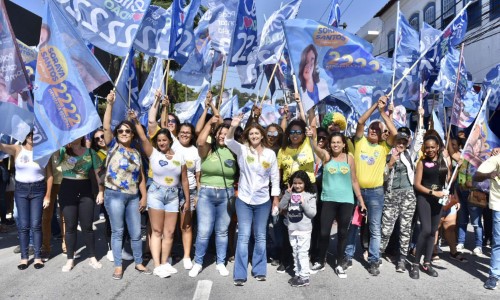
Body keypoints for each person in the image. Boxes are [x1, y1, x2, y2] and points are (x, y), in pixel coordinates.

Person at [131, 111, 190, 278]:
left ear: (170, 141)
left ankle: (165, 262)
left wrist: (186, 199)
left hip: (173, 195)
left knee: (169, 232)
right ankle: (157, 265)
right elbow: (143, 138)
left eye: (164, 140)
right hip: (156, 193)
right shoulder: (153, 154)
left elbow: (184, 180)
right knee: (156, 231)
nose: (162, 143)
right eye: (159, 140)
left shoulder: (180, 156)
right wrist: (135, 120)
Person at [344, 95, 397, 276]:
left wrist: (383, 113)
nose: (373, 130)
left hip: (375, 193)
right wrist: (376, 105)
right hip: (356, 192)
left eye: (377, 129)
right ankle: (348, 257)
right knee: (353, 226)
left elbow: (395, 133)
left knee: (375, 227)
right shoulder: (360, 142)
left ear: (383, 134)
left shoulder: (384, 147)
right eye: (371, 128)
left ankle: (374, 260)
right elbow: (360, 121)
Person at [225, 114, 280, 286]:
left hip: (263, 201)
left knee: (261, 235)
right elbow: (228, 141)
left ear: (262, 135)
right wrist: (233, 126)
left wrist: (276, 200)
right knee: (243, 236)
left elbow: (275, 179)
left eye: (257, 133)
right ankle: (240, 273)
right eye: (251, 134)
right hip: (244, 200)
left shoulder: (270, 154)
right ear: (248, 136)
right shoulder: (242, 150)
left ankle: (259, 270)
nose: (254, 136)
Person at [102, 90, 150, 280]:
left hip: (133, 197)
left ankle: (138, 262)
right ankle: (118, 266)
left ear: (132, 134)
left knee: (137, 232)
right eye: (120, 131)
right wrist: (110, 104)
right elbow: (106, 127)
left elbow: (141, 177)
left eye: (127, 131)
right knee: (118, 231)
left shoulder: (137, 152)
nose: (123, 133)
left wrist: (144, 196)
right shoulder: (112, 145)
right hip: (114, 195)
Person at [307, 130, 364, 279]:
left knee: (343, 233)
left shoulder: (349, 159)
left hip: (346, 201)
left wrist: (361, 200)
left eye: (338, 142)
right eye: (333, 142)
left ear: (343, 144)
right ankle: (320, 261)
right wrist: (312, 137)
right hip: (329, 200)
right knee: (324, 233)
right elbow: (315, 147)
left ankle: (339, 263)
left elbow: (354, 180)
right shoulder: (326, 157)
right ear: (329, 144)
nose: (336, 144)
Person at [189, 116, 236, 278]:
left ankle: (221, 262)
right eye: (220, 133)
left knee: (222, 231)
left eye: (226, 133)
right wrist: (210, 123)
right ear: (215, 135)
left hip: (226, 194)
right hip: (207, 194)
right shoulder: (208, 149)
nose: (223, 136)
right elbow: (200, 142)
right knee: (203, 231)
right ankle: (198, 262)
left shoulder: (234, 151)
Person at [0, 132, 53, 270]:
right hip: (21, 190)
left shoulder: (44, 152)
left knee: (36, 224)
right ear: (25, 135)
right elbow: (1, 146)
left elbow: (50, 175)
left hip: (38, 190)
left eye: (34, 133)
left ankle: (37, 257)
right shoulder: (17, 149)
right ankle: (24, 258)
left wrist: (47, 195)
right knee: (23, 225)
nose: (31, 136)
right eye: (29, 133)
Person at [56, 137, 103, 272]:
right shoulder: (62, 150)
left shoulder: (90, 152)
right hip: (67, 189)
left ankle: (92, 257)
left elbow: (98, 173)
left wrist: (101, 191)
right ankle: (70, 259)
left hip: (85, 189)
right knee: (70, 226)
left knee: (87, 226)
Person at [379, 126, 421, 273]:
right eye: (399, 141)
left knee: (405, 228)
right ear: (394, 141)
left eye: (404, 141)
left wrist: (420, 117)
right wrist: (390, 164)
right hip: (391, 195)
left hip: (408, 195)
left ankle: (402, 259)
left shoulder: (410, 154)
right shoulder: (386, 155)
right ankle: (378, 253)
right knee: (386, 229)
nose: (401, 144)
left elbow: (419, 139)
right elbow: (382, 177)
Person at [410, 135, 451, 279]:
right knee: (425, 230)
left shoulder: (444, 161)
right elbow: (417, 184)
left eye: (433, 147)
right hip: (425, 198)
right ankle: (415, 264)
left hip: (438, 200)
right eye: (427, 147)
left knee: (433, 231)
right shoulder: (422, 162)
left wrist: (446, 194)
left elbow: (448, 179)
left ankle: (427, 263)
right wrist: (433, 193)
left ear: (438, 147)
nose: (430, 150)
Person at [279, 170, 316, 287]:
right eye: (295, 183)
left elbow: (312, 213)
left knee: (302, 253)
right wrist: (287, 194)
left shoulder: (310, 196)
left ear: (305, 183)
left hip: (304, 229)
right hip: (292, 228)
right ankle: (298, 274)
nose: (297, 186)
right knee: (295, 252)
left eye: (300, 183)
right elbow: (281, 206)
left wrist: (303, 203)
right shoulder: (290, 194)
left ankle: (304, 277)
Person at [175, 122, 201, 270]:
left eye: (188, 133)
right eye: (182, 132)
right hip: (171, 190)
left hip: (189, 191)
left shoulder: (195, 152)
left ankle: (186, 256)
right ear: (178, 133)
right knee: (171, 226)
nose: (185, 134)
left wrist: (197, 195)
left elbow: (198, 177)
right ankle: (169, 254)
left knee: (186, 224)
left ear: (192, 136)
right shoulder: (172, 145)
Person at [474, 149, 500, 290]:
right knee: (498, 242)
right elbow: (477, 175)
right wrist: (490, 174)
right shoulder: (497, 159)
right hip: (499, 206)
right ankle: (494, 275)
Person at [298, 44, 329, 110]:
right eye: (306, 61)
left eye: (312, 60)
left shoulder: (323, 83)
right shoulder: (299, 92)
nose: (309, 65)